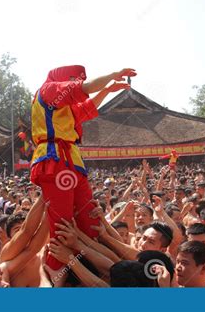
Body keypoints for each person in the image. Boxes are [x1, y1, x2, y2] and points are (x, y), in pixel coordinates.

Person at [29, 65, 136, 273]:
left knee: (89, 219)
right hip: (54, 159)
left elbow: (85, 110)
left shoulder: (63, 107)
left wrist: (106, 90)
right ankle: (58, 274)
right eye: (75, 79)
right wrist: (112, 75)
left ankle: (100, 272)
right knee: (63, 226)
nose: (76, 83)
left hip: (71, 161)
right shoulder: (49, 90)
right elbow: (84, 89)